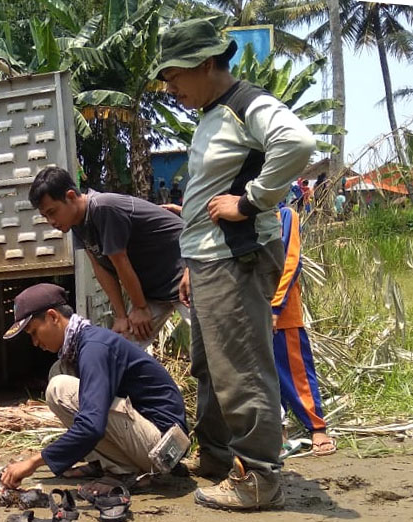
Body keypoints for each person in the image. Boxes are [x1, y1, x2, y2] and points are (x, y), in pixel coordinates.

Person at [150, 19, 315, 510]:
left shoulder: (248, 105)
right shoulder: (212, 114)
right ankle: (221, 458)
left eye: (174, 76)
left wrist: (251, 202)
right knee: (211, 367)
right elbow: (205, 199)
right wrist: (189, 262)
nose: (170, 87)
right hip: (207, 260)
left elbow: (299, 145)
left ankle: (259, 476)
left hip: (235, 258)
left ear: (205, 62)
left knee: (241, 369)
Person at [0, 283, 188, 487]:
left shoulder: (94, 348)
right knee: (59, 371)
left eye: (34, 332)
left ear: (53, 317)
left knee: (59, 388)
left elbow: (91, 426)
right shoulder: (81, 345)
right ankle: (106, 463)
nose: (35, 342)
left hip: (162, 448)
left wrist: (33, 462)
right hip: (154, 441)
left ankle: (122, 471)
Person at [29, 166, 188, 348]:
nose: (51, 222)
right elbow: (101, 267)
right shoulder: (76, 223)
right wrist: (121, 317)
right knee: (124, 348)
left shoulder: (102, 208)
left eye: (52, 212)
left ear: (71, 197)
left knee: (209, 349)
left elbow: (120, 262)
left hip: (183, 275)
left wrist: (140, 308)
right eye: (45, 216)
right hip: (153, 291)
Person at [272, 205, 336, 455]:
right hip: (249, 312)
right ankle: (276, 432)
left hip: (282, 312)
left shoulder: (285, 216)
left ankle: (316, 427)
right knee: (262, 377)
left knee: (296, 373)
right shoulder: (241, 215)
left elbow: (290, 261)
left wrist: (275, 306)